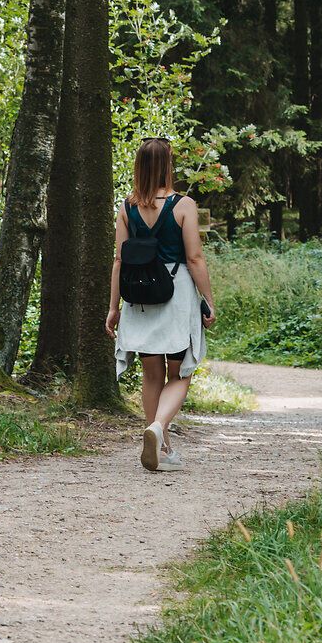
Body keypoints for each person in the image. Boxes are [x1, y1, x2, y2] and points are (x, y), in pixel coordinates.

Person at [105, 137, 216, 472]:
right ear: (168, 165)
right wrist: (209, 300)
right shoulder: (184, 206)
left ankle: (162, 445)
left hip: (139, 297)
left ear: (139, 165)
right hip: (176, 294)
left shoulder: (127, 206)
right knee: (180, 371)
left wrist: (113, 308)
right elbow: (194, 258)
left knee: (151, 373)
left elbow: (119, 261)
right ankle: (157, 429)